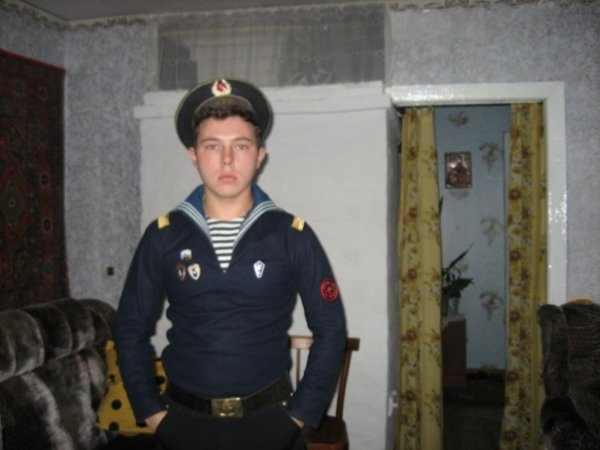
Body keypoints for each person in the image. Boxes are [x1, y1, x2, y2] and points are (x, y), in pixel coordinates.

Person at [114, 78, 347, 450]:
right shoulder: (162, 236)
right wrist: (153, 414)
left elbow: (331, 330)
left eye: (240, 145)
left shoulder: (293, 236)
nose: (226, 159)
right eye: (212, 146)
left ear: (259, 155)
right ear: (193, 154)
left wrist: (299, 416)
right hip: (182, 425)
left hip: (272, 424)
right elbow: (129, 328)